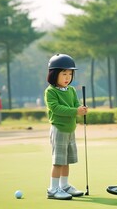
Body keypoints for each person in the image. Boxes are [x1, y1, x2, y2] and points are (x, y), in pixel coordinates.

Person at [44, 54, 88, 200]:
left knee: (67, 160)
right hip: (59, 129)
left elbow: (75, 104)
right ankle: (53, 189)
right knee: (58, 161)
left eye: (70, 74)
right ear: (54, 74)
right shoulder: (50, 91)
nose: (67, 77)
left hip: (70, 129)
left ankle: (64, 185)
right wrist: (76, 111)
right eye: (64, 74)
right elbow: (56, 108)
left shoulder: (71, 90)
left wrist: (80, 108)